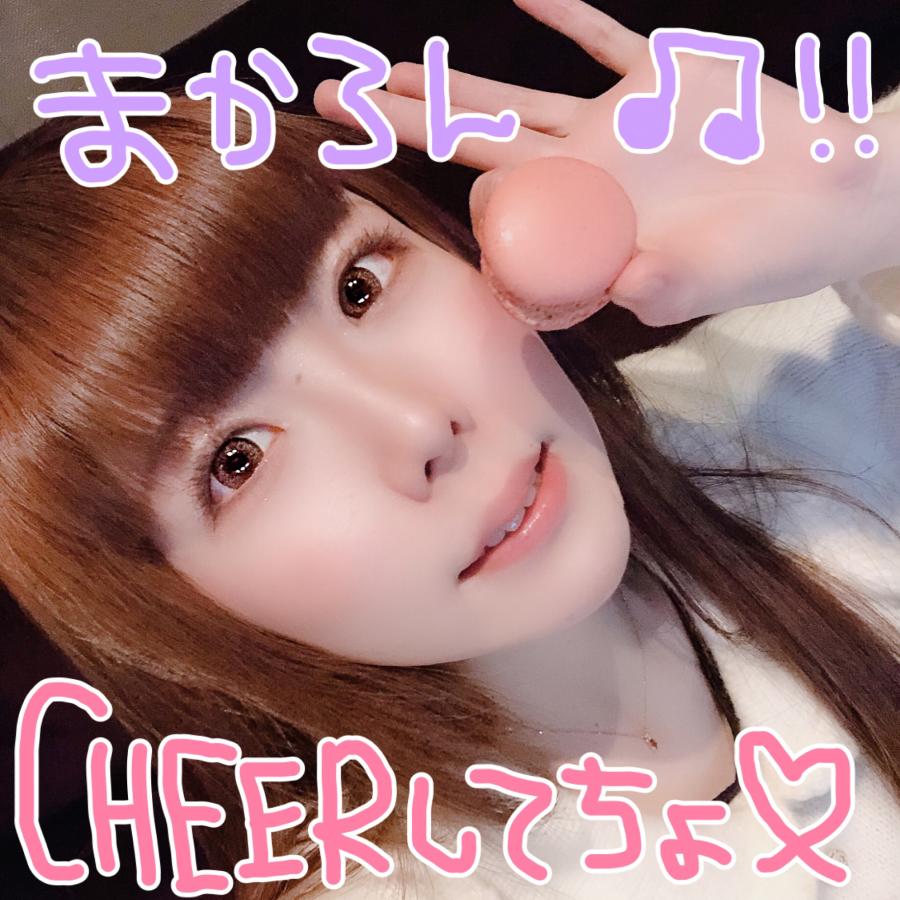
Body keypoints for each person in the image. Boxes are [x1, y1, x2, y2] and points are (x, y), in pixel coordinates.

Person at [0, 2, 897, 897]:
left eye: (359, 286)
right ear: (162, 600)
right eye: (237, 459)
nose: (420, 426)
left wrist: (875, 193)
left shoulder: (805, 389)